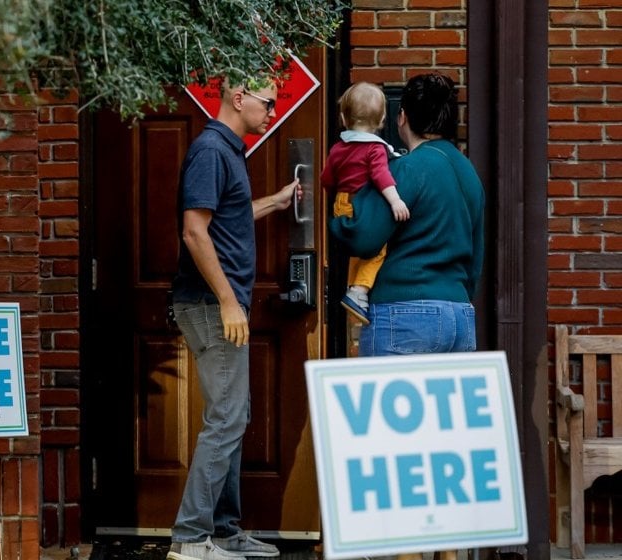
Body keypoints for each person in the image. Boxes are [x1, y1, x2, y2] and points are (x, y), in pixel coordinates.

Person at [329, 73, 485, 560]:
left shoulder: (411, 169)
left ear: (402, 119)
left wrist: (338, 212)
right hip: (459, 312)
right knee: (443, 456)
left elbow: (363, 235)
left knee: (392, 458)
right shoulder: (468, 174)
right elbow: (476, 256)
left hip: (405, 313)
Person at [167, 76, 299, 560]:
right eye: (268, 102)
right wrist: (227, 300)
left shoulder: (227, 150)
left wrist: (277, 201)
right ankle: (189, 539)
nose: (272, 111)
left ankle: (222, 531)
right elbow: (195, 231)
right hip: (209, 304)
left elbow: (229, 215)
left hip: (217, 303)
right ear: (238, 98)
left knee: (233, 416)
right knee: (225, 418)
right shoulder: (210, 150)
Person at [321, 81, 409, 325]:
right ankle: (359, 290)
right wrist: (395, 201)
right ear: (382, 120)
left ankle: (354, 291)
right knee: (377, 248)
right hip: (363, 205)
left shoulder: (338, 148)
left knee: (356, 252)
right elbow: (381, 176)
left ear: (342, 117)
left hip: (342, 203)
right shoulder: (375, 149)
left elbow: (327, 178)